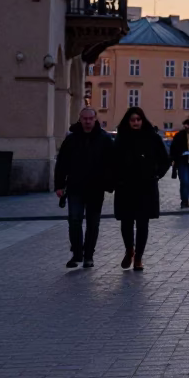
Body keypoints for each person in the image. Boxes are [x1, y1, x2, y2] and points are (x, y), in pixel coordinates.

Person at [111, 107, 171, 271]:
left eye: (138, 119)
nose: (136, 122)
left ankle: (138, 257)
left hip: (146, 186)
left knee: (143, 223)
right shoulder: (121, 138)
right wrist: (116, 180)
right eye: (132, 120)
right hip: (125, 186)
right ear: (128, 121)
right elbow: (112, 162)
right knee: (126, 222)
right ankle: (129, 250)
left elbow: (165, 160)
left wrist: (157, 175)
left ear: (142, 120)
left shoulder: (152, 138)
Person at [54, 106, 114, 268]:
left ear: (95, 119)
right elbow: (62, 163)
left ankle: (89, 255)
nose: (87, 121)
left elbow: (112, 164)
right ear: (80, 119)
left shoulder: (105, 139)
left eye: (90, 118)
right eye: (84, 118)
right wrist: (59, 185)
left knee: (93, 223)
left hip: (96, 188)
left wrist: (109, 183)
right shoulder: (71, 139)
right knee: (74, 221)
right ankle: (77, 254)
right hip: (75, 187)